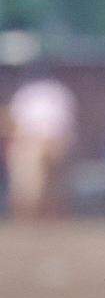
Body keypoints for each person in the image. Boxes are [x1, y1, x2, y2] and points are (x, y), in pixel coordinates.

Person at [1, 78, 77, 219]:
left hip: (53, 141)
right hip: (29, 141)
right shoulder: (26, 94)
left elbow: (64, 126)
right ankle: (27, 218)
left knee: (53, 185)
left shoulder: (58, 93)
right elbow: (15, 124)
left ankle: (50, 217)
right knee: (27, 185)